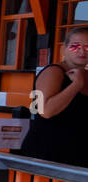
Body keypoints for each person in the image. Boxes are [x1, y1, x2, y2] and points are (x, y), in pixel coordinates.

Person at [18, 27, 88, 168]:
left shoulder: (85, 74)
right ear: (64, 49)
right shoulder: (54, 72)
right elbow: (46, 110)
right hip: (47, 157)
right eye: (75, 46)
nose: (82, 51)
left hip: (77, 158)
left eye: (87, 47)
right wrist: (76, 85)